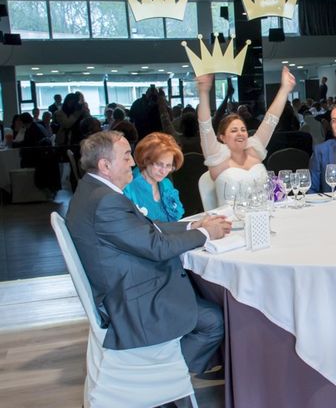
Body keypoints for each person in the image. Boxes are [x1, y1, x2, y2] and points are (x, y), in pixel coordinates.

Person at [65, 131, 229, 373]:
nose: (132, 162)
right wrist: (206, 234)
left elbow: (147, 227)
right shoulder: (106, 202)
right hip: (134, 303)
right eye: (126, 156)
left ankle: (167, 367)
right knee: (214, 320)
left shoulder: (91, 191)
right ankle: (163, 378)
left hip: (122, 288)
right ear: (105, 165)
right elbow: (157, 247)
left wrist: (191, 225)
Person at [197, 66, 296, 203]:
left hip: (262, 216)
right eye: (233, 130)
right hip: (230, 220)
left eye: (243, 130)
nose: (240, 133)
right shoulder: (216, 156)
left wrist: (284, 89)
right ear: (222, 137)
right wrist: (203, 92)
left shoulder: (253, 148)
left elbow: (271, 119)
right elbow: (205, 126)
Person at [124, 132, 185, 222]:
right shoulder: (128, 186)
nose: (163, 171)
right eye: (159, 164)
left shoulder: (166, 184)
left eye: (168, 166)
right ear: (145, 160)